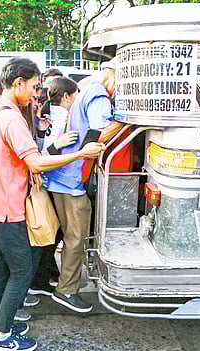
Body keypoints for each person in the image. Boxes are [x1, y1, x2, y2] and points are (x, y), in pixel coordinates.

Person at [0, 57, 105, 351]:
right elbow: (35, 161)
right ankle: (0, 334)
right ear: (18, 83)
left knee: (4, 271)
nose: (37, 93)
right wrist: (79, 154)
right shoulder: (11, 118)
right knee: (21, 270)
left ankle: (0, 321)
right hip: (7, 209)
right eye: (34, 86)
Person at [46, 60, 128, 314]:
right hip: (71, 182)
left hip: (60, 178)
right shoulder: (98, 93)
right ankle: (67, 290)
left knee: (66, 236)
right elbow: (100, 130)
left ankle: (55, 282)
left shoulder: (86, 90)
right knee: (75, 239)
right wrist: (128, 122)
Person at [31, 77, 80, 296]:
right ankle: (39, 280)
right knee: (50, 235)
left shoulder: (51, 117)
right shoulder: (63, 118)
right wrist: (58, 146)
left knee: (49, 234)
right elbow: (42, 153)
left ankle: (42, 277)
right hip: (49, 181)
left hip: (46, 181)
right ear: (68, 97)